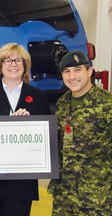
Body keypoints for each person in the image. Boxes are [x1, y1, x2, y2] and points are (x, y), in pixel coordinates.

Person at [0, 43, 51, 216]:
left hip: (21, 182)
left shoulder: (39, 97)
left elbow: (46, 139)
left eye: (18, 60)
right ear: (0, 65)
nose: (13, 64)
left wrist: (31, 125)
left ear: (26, 65)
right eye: (8, 60)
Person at [48, 50, 112, 215]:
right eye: (67, 71)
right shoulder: (61, 104)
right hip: (65, 198)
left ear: (89, 72)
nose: (72, 76)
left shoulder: (107, 104)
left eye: (78, 70)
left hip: (97, 199)